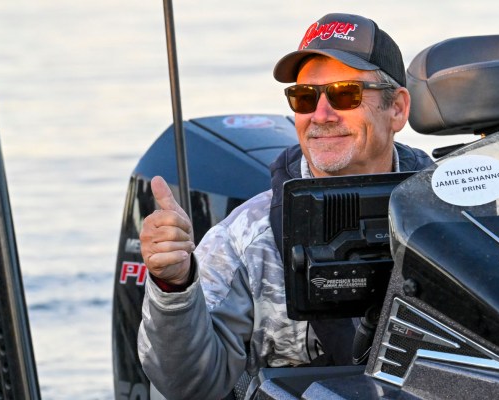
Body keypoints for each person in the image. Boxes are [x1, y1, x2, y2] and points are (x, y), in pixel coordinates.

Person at [138, 12, 433, 400]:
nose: (321, 115)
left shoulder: (457, 218)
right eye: (305, 97)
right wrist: (173, 285)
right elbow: (186, 384)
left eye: (345, 94)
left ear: (397, 109)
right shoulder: (244, 238)